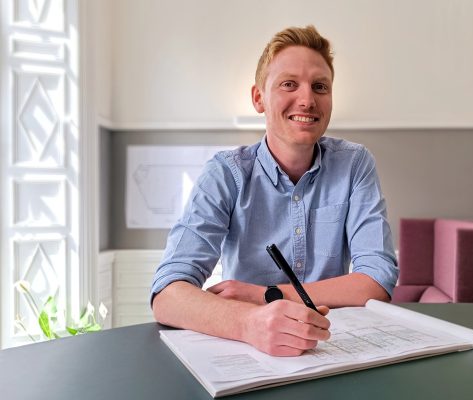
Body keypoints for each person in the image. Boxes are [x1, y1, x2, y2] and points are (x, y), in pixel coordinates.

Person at [151, 25, 397, 356]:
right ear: (259, 98)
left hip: (334, 349)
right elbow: (167, 294)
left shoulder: (355, 164)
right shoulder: (226, 173)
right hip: (250, 352)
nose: (307, 99)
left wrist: (267, 294)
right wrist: (249, 322)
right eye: (288, 84)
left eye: (320, 87)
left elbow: (377, 282)